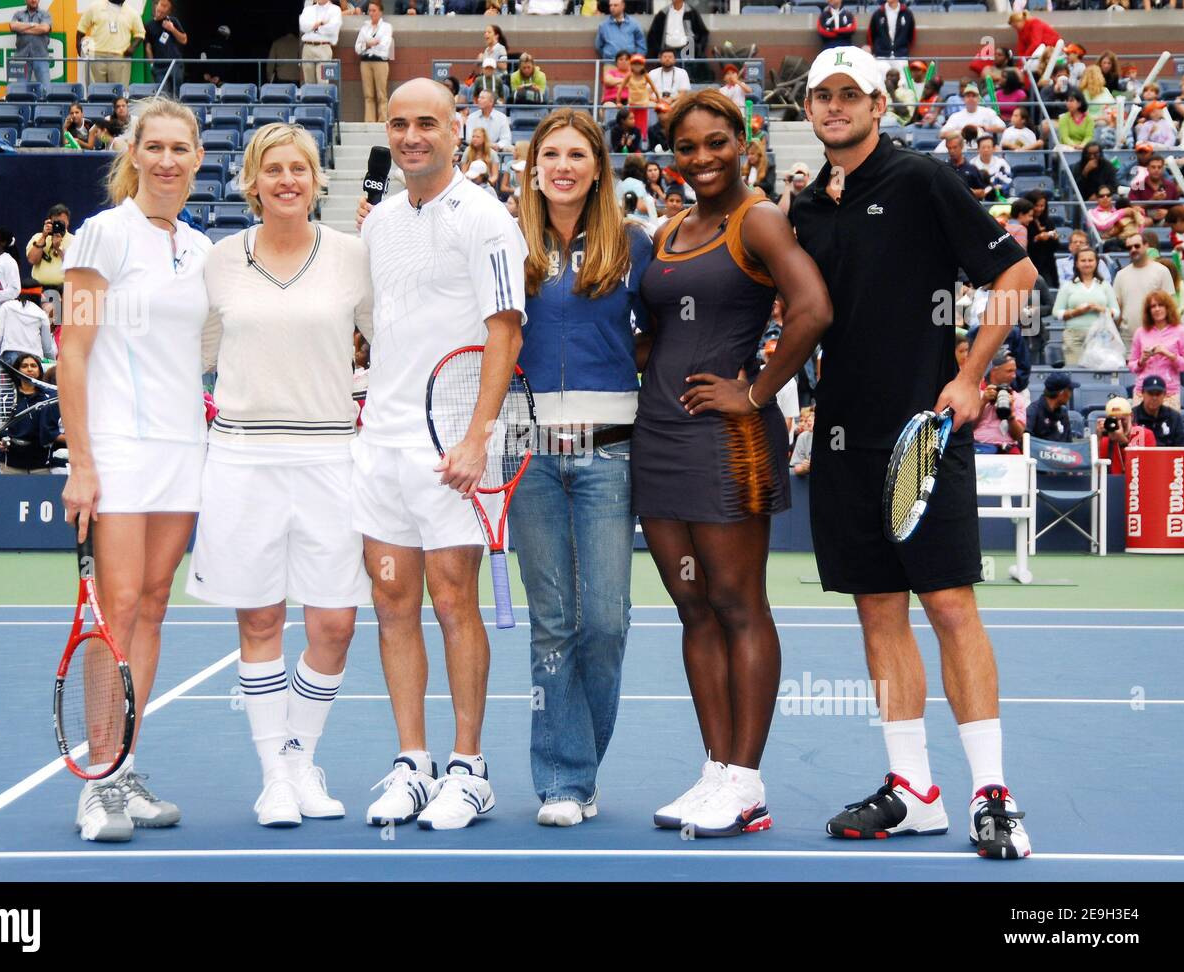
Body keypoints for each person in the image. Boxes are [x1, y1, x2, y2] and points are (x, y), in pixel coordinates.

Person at [759, 45, 1039, 859]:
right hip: (844, 440)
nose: (836, 107)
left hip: (925, 433)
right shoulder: (806, 208)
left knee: (950, 608)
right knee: (878, 614)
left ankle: (993, 793)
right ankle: (913, 788)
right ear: (808, 109)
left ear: (879, 105)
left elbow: (1015, 273)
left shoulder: (920, 179)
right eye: (822, 96)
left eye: (851, 95)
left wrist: (971, 373)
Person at [635, 88, 833, 838]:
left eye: (717, 142)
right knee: (691, 604)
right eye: (687, 147)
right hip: (658, 439)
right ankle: (715, 771)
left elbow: (812, 307)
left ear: (744, 143)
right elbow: (655, 337)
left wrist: (756, 391)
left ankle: (747, 782)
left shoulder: (761, 219)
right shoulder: (669, 229)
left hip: (727, 441)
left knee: (736, 601)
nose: (702, 158)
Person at [353, 79, 527, 832]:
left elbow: (505, 330)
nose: (412, 135)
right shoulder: (377, 223)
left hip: (454, 447)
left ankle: (469, 768)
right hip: (382, 446)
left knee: (454, 602)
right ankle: (413, 763)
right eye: (399, 124)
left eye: (427, 122)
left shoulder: (487, 219)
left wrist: (477, 435)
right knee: (394, 605)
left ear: (459, 130)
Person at [190, 123, 371, 828]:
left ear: (317, 179)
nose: (288, 179)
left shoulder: (354, 257)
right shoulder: (219, 260)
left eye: (300, 168)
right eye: (274, 169)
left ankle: (302, 760)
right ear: (252, 181)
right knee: (260, 617)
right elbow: (195, 353)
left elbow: (394, 339)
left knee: (333, 625)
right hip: (242, 458)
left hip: (331, 456)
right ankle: (274, 777)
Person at [59, 97, 214, 842]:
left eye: (180, 148)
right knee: (115, 611)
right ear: (133, 154)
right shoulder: (102, 235)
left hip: (183, 452)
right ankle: (96, 782)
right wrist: (81, 462)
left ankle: (121, 768)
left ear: (198, 159)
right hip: (118, 450)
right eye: (154, 147)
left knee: (152, 605)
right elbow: (73, 352)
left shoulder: (201, 249)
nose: (167, 160)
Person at [506, 108, 653, 826]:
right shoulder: (507, 243)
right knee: (552, 622)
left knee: (605, 621)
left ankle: (581, 765)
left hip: (610, 452)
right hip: (528, 455)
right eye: (550, 154)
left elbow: (662, 338)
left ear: (598, 167)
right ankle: (564, 779)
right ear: (535, 166)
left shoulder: (633, 246)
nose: (562, 165)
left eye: (577, 154)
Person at [1053, 245, 1118, 367]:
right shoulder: (1067, 286)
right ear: (1076, 263)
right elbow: (1057, 313)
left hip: (1099, 336)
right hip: (1074, 338)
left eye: (1090, 260)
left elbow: (1116, 312)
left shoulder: (1104, 285)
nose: (1087, 264)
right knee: (1075, 373)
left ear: (1096, 263)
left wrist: (1100, 309)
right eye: (1083, 260)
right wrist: (1076, 312)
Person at [1128, 291, 1184, 410]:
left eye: (1160, 305)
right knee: (1141, 428)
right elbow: (1131, 365)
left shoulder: (1180, 331)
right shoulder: (1140, 332)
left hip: (1169, 392)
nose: (1157, 309)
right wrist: (1142, 360)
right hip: (1143, 392)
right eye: (1153, 306)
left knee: (1168, 428)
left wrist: (1170, 355)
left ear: (1168, 308)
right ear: (1148, 311)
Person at [0, 354, 56, 474]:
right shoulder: (6, 397)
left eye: (33, 366)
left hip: (42, 463)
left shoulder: (50, 397)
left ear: (39, 370)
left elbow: (53, 427)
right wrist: (1, 439)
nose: (29, 369)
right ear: (17, 370)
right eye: (24, 366)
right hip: (11, 463)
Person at [1113, 234, 1174, 348]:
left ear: (1146, 246)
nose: (1133, 250)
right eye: (1129, 247)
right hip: (1128, 337)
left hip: (1156, 336)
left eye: (1137, 246)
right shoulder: (1121, 275)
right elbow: (1118, 307)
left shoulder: (1162, 271)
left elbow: (1169, 304)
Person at [77, 0, 145, 87]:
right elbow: (82, 27)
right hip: (96, 56)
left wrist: (132, 48)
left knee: (119, 94)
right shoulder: (95, 7)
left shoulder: (132, 12)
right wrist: (78, 45)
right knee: (96, 93)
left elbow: (140, 33)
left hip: (120, 57)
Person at [972, 349, 1026, 455]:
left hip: (1007, 449)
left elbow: (1018, 435)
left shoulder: (1016, 398)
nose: (1014, 375)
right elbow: (968, 427)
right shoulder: (976, 393)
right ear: (994, 371)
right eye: (1009, 371)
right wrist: (983, 402)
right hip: (979, 448)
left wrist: (1010, 414)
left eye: (1014, 371)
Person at [0, 280, 56, 366]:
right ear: (38, 295)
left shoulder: (6, 306)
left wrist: (1, 353)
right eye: (42, 293)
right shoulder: (41, 314)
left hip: (10, 355)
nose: (44, 297)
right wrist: (52, 364)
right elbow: (47, 348)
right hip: (34, 358)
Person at [355, 0, 392, 124]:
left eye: (374, 10)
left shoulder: (386, 27)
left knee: (381, 93)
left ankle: (383, 120)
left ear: (380, 12)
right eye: (369, 10)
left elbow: (384, 46)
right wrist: (370, 44)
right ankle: (369, 121)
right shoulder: (365, 27)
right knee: (368, 94)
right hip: (365, 62)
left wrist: (367, 44)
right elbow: (358, 47)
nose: (371, 13)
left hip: (380, 62)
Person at [1096, 397, 1153, 476]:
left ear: (1131, 416)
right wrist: (1098, 440)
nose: (1119, 423)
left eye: (1122, 419)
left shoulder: (1145, 434)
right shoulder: (1105, 439)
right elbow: (1097, 472)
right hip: (1112, 483)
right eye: (1115, 420)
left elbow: (1147, 469)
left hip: (1137, 485)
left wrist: (1123, 441)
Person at [145, 0, 187, 94]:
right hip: (159, 66)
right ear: (156, 5)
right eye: (161, 5)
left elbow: (184, 39)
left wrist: (172, 29)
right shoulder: (149, 25)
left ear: (168, 12)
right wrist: (152, 64)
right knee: (162, 93)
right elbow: (148, 47)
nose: (161, 10)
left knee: (176, 92)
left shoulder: (173, 21)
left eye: (165, 7)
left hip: (175, 63)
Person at [1132, 375, 1184, 447]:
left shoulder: (1174, 417)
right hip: (1140, 457)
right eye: (1150, 393)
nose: (1154, 398)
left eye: (1158, 394)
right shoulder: (1133, 416)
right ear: (1142, 393)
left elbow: (1181, 447)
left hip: (1168, 457)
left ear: (1164, 395)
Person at [1128, 154, 1183, 225]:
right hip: (1143, 218)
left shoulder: (1171, 186)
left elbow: (1177, 208)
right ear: (1147, 168)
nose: (1156, 170)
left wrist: (1168, 213)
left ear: (1163, 169)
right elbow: (1132, 206)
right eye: (1153, 167)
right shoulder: (1137, 185)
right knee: (1147, 222)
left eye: (1159, 167)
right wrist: (1153, 200)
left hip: (1165, 220)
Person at [1025, 372, 1078, 443]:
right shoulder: (1033, 410)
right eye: (1070, 390)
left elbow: (1069, 443)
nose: (1070, 395)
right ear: (1061, 392)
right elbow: (1026, 440)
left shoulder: (1063, 413)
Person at [10, 0, 53, 87]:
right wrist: (33, 25)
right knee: (20, 92)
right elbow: (13, 26)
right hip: (22, 58)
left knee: (46, 90)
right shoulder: (18, 14)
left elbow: (44, 29)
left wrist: (23, 28)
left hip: (41, 57)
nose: (34, 0)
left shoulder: (45, 14)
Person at [941, 84, 1005, 141]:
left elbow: (1002, 127)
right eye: (968, 96)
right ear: (963, 99)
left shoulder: (988, 112)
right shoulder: (956, 116)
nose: (971, 98)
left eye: (974, 96)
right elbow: (942, 134)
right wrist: (962, 132)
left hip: (984, 147)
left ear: (978, 99)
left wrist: (984, 128)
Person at [299, 0, 341, 86]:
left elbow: (332, 29)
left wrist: (314, 27)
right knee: (308, 83)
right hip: (307, 47)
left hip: (323, 47)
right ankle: (312, 99)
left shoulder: (335, 9)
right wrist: (320, 24)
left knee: (323, 82)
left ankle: (322, 99)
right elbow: (303, 26)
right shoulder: (308, 9)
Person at [866, 0, 915, 67]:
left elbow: (911, 35)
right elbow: (871, 35)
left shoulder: (907, 13)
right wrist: (877, 48)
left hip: (901, 55)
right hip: (881, 55)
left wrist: (903, 49)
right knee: (880, 74)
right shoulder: (878, 13)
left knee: (903, 75)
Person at [944, 133, 989, 199]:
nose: (952, 151)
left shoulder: (972, 168)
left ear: (961, 147)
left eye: (955, 147)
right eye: (949, 148)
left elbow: (982, 193)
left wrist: (968, 192)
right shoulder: (944, 168)